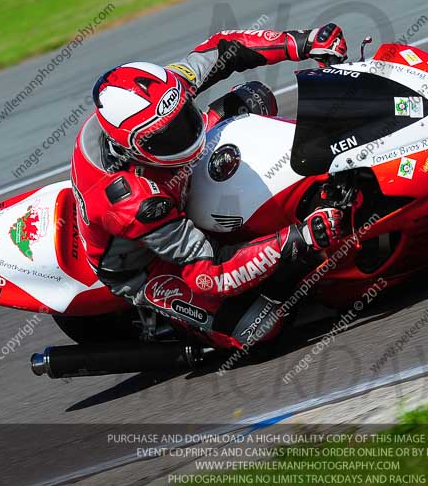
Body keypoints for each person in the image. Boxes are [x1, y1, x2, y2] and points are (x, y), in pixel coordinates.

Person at [70, 24, 348, 353]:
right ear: (132, 148)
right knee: (260, 328)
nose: (185, 135)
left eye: (184, 117)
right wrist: (297, 239)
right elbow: (210, 272)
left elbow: (224, 48)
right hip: (152, 262)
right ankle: (186, 324)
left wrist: (302, 42)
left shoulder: (162, 94)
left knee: (255, 97)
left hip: (175, 175)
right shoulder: (133, 201)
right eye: (169, 136)